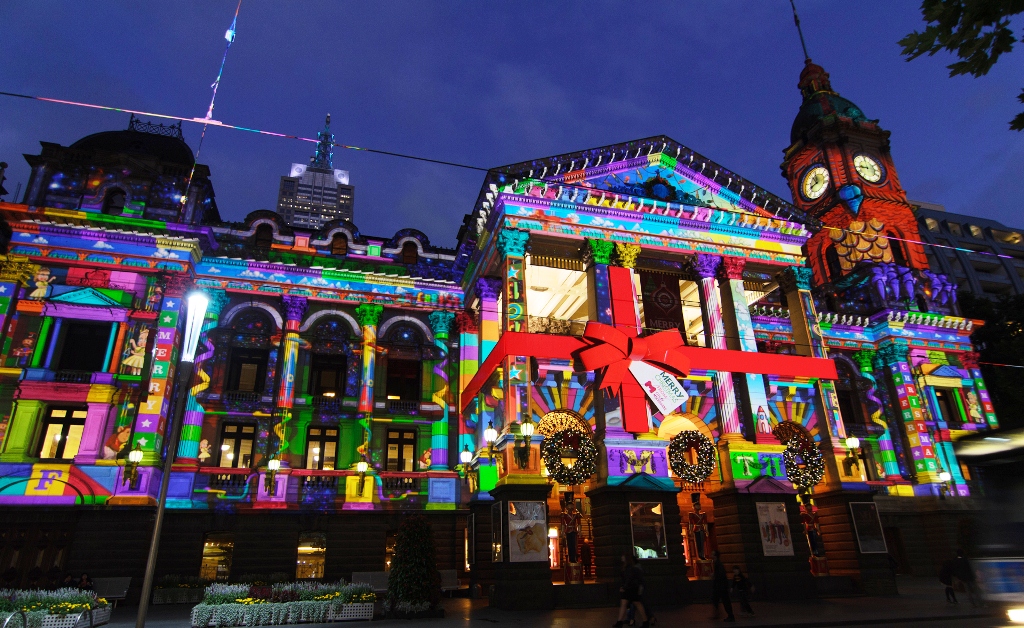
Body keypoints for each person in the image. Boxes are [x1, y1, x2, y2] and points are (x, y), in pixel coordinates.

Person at [613, 553, 648, 628]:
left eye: (623, 556)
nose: (622, 557)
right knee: (634, 603)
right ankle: (645, 621)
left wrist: (624, 587)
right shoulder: (631, 568)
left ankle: (620, 622)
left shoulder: (628, 568)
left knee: (628, 603)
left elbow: (628, 579)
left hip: (630, 589)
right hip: (632, 588)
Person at [711, 551, 735, 622]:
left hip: (721, 587)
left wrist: (714, 575)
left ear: (715, 556)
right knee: (716, 600)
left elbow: (720, 576)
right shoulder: (717, 563)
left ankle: (730, 616)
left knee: (725, 601)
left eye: (712, 554)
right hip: (720, 586)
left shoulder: (718, 564)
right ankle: (718, 614)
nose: (710, 555)